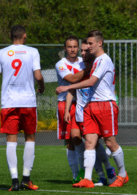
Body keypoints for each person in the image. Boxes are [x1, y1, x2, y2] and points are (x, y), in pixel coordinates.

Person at [56, 30, 129, 188]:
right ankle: (88, 179)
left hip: (104, 104)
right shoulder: (95, 61)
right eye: (86, 44)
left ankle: (122, 174)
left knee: (110, 143)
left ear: (99, 43)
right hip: (90, 106)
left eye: (90, 44)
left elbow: (90, 82)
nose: (87, 47)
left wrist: (66, 88)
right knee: (89, 141)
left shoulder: (104, 60)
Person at [0, 25, 45, 191]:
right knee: (29, 138)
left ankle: (14, 181)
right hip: (28, 102)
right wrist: (41, 86)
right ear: (25, 36)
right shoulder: (33, 51)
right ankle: (26, 179)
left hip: (9, 103)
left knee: (11, 141)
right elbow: (38, 76)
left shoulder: (1, 53)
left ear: (10, 35)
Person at [64, 38, 116, 186]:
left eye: (86, 50)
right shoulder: (81, 69)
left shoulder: (98, 65)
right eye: (82, 50)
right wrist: (68, 109)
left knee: (94, 144)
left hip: (94, 111)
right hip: (80, 112)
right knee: (81, 141)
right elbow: (72, 88)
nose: (83, 53)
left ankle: (108, 170)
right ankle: (96, 175)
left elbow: (108, 87)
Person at [55, 35, 92, 184]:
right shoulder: (60, 64)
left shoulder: (84, 62)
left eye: (75, 46)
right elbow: (71, 79)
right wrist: (88, 70)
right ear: (65, 49)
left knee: (84, 138)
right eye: (69, 47)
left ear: (78, 47)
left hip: (83, 103)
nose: (72, 49)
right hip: (65, 103)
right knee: (71, 142)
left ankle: (87, 170)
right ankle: (76, 174)